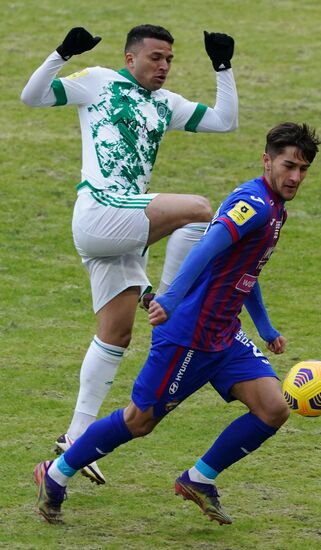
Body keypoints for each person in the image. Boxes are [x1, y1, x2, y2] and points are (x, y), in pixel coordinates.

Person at [33, 122, 321, 525]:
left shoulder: (276, 210)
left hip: (224, 335)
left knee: (273, 408)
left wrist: (266, 328)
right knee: (140, 420)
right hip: (188, 336)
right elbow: (207, 246)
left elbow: (244, 270)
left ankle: (199, 479)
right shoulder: (253, 204)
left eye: (303, 169)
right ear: (267, 161)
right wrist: (169, 298)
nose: (295, 177)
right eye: (288, 165)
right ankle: (56, 473)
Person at [21, 25, 238, 484]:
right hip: (101, 210)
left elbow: (225, 120)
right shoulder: (98, 80)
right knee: (200, 210)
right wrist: (60, 53)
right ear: (130, 57)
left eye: (170, 60)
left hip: (121, 227)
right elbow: (32, 97)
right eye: (156, 58)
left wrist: (223, 67)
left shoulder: (166, 104)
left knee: (116, 335)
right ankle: (168, 298)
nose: (163, 67)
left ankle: (75, 440)